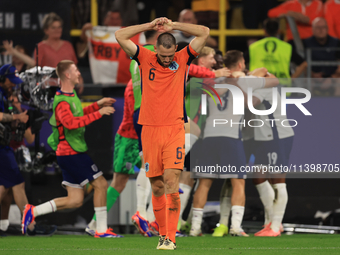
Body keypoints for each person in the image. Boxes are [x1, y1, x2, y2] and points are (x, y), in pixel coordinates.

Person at [115, 17, 209, 250]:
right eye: (163, 55)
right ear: (154, 49)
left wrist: (175, 26)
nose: (167, 60)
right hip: (149, 131)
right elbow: (120, 35)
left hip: (175, 129)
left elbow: (204, 32)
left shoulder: (183, 57)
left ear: (175, 49)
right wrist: (149, 27)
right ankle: (162, 234)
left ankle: (170, 237)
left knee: (171, 181)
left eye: (170, 55)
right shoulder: (145, 57)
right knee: (156, 186)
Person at [21, 60, 118, 238]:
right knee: (102, 184)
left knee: (75, 200)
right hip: (72, 153)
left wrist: (98, 104)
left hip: (69, 153)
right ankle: (100, 229)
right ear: (67, 75)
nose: (79, 73)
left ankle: (32, 212)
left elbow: (79, 114)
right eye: (75, 70)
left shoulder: (70, 95)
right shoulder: (61, 101)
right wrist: (99, 114)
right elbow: (71, 124)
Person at [190, 51, 279, 237]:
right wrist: (250, 75)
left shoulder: (212, 80)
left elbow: (193, 86)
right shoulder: (246, 81)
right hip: (230, 137)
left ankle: (194, 228)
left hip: (208, 137)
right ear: (240, 65)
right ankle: (235, 227)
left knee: (204, 184)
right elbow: (274, 81)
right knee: (238, 182)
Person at [84, 79, 138, 238]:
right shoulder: (136, 84)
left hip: (141, 139)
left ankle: (154, 221)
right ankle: (94, 224)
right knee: (119, 182)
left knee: (159, 176)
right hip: (130, 140)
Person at [243, 73, 294, 237]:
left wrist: (236, 86)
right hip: (264, 138)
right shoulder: (262, 87)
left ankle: (275, 226)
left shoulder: (266, 88)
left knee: (278, 181)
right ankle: (271, 222)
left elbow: (248, 104)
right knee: (258, 177)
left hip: (277, 137)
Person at [249, 18, 307, 83]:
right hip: (281, 86)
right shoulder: (286, 47)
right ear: (278, 31)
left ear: (264, 31)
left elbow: (240, 62)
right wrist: (292, 79)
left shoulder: (254, 47)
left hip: (259, 86)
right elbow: (304, 64)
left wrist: (249, 75)